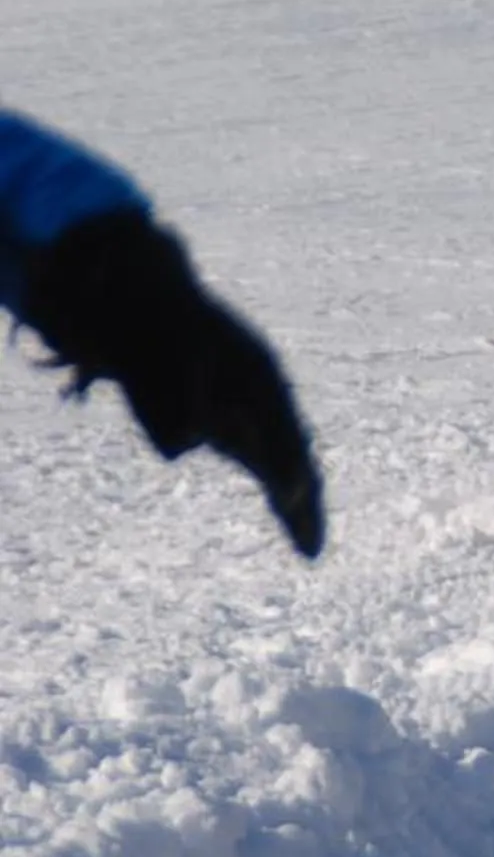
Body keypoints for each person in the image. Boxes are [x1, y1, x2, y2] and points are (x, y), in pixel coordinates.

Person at [0, 105, 323, 555]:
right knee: (186, 386)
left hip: (87, 246)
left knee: (194, 379)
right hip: (83, 252)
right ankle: (282, 465)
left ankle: (284, 466)